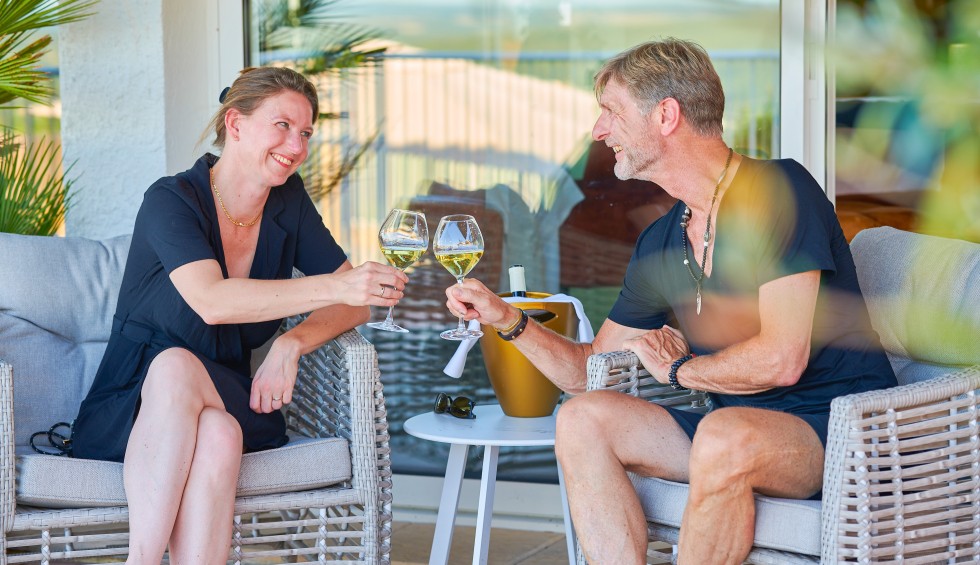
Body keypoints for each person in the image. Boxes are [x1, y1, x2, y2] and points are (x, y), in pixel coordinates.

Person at [445, 39, 897, 564]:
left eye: (610, 112)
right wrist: (507, 319)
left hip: (839, 432)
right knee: (583, 418)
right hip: (727, 425)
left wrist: (682, 370)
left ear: (665, 115)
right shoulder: (663, 239)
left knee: (725, 435)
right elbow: (585, 372)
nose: (598, 131)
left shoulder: (779, 191)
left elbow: (782, 358)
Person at [70, 67, 407, 564]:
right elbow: (212, 300)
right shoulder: (171, 200)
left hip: (230, 391)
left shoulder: (287, 203)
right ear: (236, 123)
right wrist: (337, 283)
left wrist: (292, 344)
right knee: (199, 402)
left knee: (220, 422)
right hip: (132, 401)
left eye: (306, 132)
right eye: (283, 125)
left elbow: (354, 303)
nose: (296, 145)